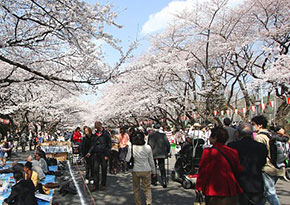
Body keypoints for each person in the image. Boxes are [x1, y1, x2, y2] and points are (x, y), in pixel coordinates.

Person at [195, 126, 243, 205]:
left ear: (215, 138)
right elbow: (238, 169)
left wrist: (199, 186)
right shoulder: (233, 151)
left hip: (213, 188)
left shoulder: (208, 152)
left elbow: (203, 171)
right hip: (230, 187)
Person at [228, 122, 268, 205]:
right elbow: (263, 163)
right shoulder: (261, 147)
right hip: (256, 184)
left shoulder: (232, 146)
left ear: (238, 134)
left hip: (238, 184)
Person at [251, 115, 284, 205]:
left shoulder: (260, 137)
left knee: (270, 193)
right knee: (265, 192)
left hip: (267, 167)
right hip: (277, 166)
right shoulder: (271, 134)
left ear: (260, 125)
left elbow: (257, 154)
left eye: (253, 124)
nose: (252, 126)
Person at [126, 131, 156, 205]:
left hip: (136, 170)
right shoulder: (148, 147)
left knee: (136, 189)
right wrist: (154, 171)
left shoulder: (132, 147)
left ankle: (138, 203)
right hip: (146, 170)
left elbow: (127, 159)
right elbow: (151, 160)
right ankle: (149, 202)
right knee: (147, 188)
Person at [86, 121, 112, 192]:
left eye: (97, 127)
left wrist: (107, 155)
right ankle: (95, 185)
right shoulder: (95, 135)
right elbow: (93, 145)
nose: (96, 129)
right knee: (95, 170)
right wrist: (89, 152)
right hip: (96, 154)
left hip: (104, 154)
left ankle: (103, 184)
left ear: (100, 126)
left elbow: (109, 145)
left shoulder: (106, 134)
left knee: (104, 169)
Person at [148, 123, 170, 188]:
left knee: (153, 166)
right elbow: (167, 144)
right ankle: (164, 181)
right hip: (161, 153)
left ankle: (154, 180)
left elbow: (148, 144)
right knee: (162, 167)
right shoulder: (163, 135)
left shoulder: (151, 135)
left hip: (153, 153)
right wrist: (168, 151)